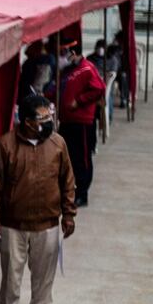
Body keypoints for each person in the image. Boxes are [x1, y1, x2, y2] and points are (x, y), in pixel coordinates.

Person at [0, 95, 76, 304]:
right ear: (26, 122)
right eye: (42, 118)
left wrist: (69, 214)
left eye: (49, 116)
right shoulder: (5, 146)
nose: (48, 122)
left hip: (47, 223)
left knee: (44, 275)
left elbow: (68, 182)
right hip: (12, 224)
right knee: (11, 273)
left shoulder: (58, 144)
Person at [56, 38, 106, 207]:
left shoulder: (87, 69)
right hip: (67, 120)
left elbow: (99, 88)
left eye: (64, 53)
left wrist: (79, 101)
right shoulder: (68, 70)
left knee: (81, 159)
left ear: (73, 53)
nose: (61, 57)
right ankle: (70, 190)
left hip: (82, 123)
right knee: (68, 157)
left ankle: (82, 193)